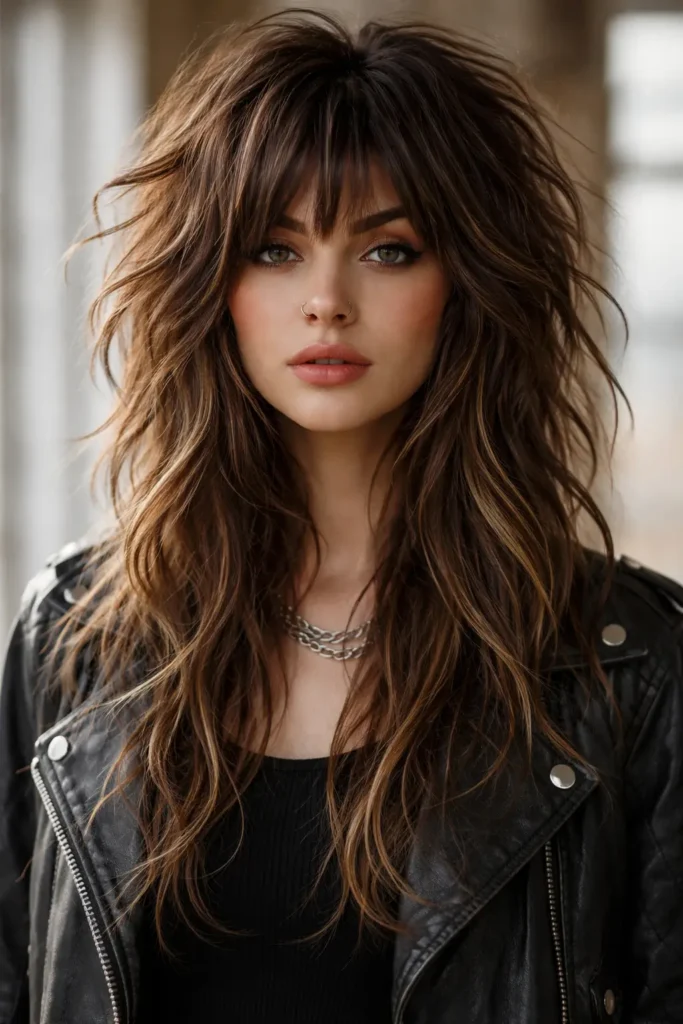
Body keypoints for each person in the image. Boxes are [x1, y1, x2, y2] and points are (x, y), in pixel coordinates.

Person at [1, 7, 681, 1023]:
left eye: (388, 250)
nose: (324, 300)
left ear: (466, 284)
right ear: (211, 284)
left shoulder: (623, 666)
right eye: (274, 251)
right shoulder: (76, 637)